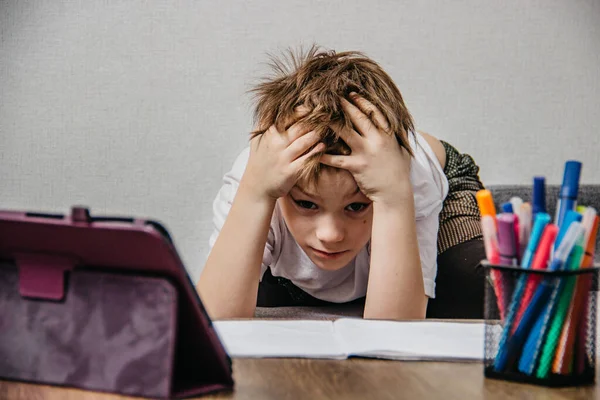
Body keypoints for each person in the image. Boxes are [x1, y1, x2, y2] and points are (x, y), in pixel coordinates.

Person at [196, 46, 486, 320]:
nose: (331, 235)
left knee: (471, 287)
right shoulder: (260, 176)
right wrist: (255, 195)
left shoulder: (411, 177)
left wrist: (393, 198)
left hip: (434, 189)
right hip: (295, 214)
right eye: (307, 203)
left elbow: (396, 335)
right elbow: (213, 319)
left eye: (356, 206)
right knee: (259, 296)